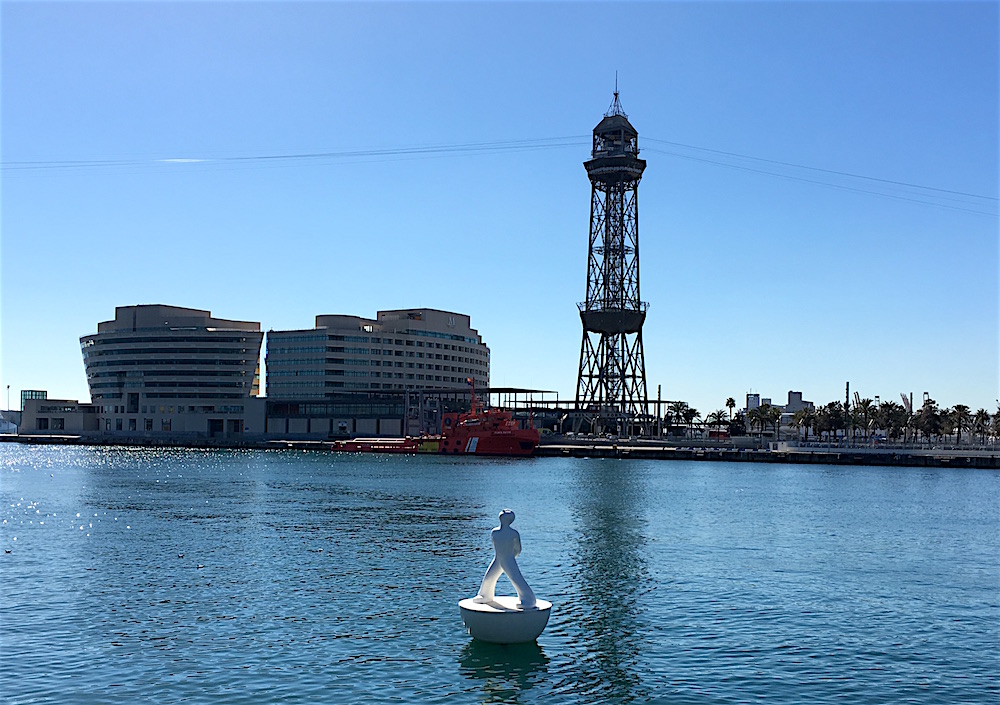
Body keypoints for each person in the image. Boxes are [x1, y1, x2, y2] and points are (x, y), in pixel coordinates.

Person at [474, 509, 536, 609]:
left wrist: (511, 558)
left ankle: (529, 600)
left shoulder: (514, 534)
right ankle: (485, 595)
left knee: (516, 579)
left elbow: (518, 549)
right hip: (498, 558)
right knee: (489, 577)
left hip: (508, 559)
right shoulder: (494, 532)